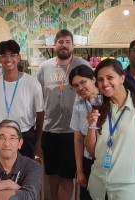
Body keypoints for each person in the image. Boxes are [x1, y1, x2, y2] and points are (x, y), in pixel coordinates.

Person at [85, 59, 135, 200]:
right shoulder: (100, 108)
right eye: (100, 80)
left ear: (122, 78)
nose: (105, 84)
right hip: (99, 185)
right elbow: (91, 149)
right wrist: (91, 126)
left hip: (131, 189)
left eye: (110, 78)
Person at [37, 29, 90, 200]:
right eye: (60, 42)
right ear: (54, 45)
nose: (64, 45)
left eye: (68, 41)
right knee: (52, 174)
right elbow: (38, 97)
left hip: (72, 131)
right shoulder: (44, 67)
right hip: (49, 129)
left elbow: (91, 93)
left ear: (73, 45)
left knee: (68, 176)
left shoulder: (82, 65)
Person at [0, 40, 44, 159]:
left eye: (12, 55)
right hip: (1, 137)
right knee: (2, 174)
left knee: (25, 175)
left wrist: (38, 142)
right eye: (4, 56)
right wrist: (2, 131)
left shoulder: (32, 83)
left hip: (25, 135)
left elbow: (40, 114)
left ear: (19, 58)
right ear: (0, 59)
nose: (8, 59)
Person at [68, 65, 97, 200]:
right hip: (87, 160)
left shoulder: (108, 100)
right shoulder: (78, 102)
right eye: (75, 85)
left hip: (107, 160)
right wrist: (79, 171)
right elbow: (78, 139)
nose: (80, 88)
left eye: (83, 82)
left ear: (93, 79)